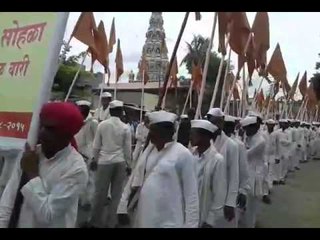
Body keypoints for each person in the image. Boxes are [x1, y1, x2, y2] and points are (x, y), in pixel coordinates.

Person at [0, 102, 88, 228]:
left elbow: (48, 214)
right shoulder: (30, 154)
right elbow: (8, 201)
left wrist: (32, 174)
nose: (42, 132)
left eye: (50, 129)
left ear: (67, 135)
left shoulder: (76, 168)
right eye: (41, 125)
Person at [117, 110, 199, 228]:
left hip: (169, 220)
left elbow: (191, 194)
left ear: (166, 132)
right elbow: (133, 179)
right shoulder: (148, 152)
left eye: (153, 130)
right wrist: (122, 207)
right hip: (145, 217)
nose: (150, 134)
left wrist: (191, 225)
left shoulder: (182, 154)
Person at [89, 100, 132, 228]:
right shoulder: (125, 127)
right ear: (120, 112)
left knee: (99, 193)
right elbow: (127, 149)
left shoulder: (102, 125)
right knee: (116, 195)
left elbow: (96, 145)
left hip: (104, 162)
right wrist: (129, 165)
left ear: (111, 111)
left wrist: (94, 159)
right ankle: (111, 222)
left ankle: (95, 222)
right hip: (119, 162)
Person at [190, 120, 227, 228]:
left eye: (193, 134)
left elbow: (219, 193)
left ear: (204, 137)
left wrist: (210, 221)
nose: (190, 137)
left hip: (204, 212)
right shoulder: (190, 155)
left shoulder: (217, 160)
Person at [207, 108, 239, 228]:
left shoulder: (231, 145)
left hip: (224, 194)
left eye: (218, 122)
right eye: (213, 122)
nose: (216, 125)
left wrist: (230, 202)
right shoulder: (204, 141)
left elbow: (234, 175)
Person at [223, 115, 250, 228]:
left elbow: (243, 169)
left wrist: (242, 190)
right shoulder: (215, 142)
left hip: (233, 188)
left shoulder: (238, 145)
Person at [240, 116, 266, 228]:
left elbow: (246, 154)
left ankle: (251, 224)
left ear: (254, 127)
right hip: (248, 171)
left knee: (252, 203)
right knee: (246, 203)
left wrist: (239, 146)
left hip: (255, 173)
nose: (246, 132)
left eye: (247, 129)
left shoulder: (260, 141)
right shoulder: (249, 137)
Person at [74, 100, 98, 211]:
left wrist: (94, 157)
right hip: (77, 152)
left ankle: (88, 200)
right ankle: (79, 199)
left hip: (88, 154)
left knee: (89, 179)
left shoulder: (93, 122)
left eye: (80, 108)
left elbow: (97, 140)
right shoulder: (75, 120)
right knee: (77, 176)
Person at [261, 119, 277, 203]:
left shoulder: (276, 134)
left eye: (272, 124)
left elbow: (277, 145)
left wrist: (277, 156)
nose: (270, 126)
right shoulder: (263, 134)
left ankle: (268, 189)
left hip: (272, 155)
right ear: (266, 125)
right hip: (263, 156)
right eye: (269, 124)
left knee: (270, 172)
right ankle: (264, 190)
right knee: (264, 173)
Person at [274, 119, 292, 185]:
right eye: (281, 123)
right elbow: (275, 141)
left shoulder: (289, 132)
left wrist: (283, 141)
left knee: (285, 165)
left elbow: (290, 141)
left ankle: (282, 178)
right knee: (277, 165)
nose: (282, 125)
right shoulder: (277, 132)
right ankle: (276, 178)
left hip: (286, 150)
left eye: (284, 123)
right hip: (278, 150)